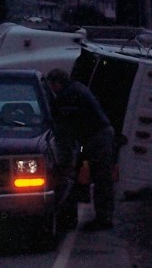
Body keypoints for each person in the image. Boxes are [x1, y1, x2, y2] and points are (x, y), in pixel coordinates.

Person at [46, 68, 116, 231]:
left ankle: (104, 219)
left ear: (57, 83)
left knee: (101, 178)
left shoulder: (67, 95)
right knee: (101, 178)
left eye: (52, 85)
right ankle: (104, 217)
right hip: (100, 134)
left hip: (97, 137)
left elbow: (64, 125)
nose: (52, 90)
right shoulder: (76, 88)